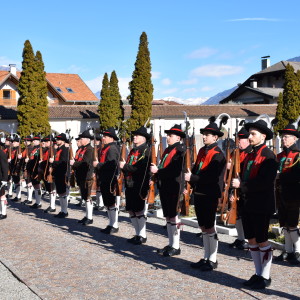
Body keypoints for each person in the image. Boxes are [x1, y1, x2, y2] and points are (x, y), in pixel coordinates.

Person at [232, 117, 278, 289]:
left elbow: (265, 182)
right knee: (251, 239)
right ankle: (258, 273)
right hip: (248, 203)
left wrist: (242, 185)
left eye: (253, 134)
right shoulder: (250, 154)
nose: (249, 137)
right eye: (249, 134)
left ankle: (265, 276)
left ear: (263, 136)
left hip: (261, 204)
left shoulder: (268, 156)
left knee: (262, 240)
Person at [186, 121, 226, 271]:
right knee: (203, 226)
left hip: (209, 193)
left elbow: (211, 177)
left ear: (215, 137)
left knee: (209, 227)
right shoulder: (203, 151)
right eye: (203, 134)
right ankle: (205, 256)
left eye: (207, 135)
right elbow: (197, 169)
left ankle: (212, 258)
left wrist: (193, 179)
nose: (204, 137)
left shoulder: (218, 155)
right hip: (199, 192)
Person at [151, 124, 186, 257]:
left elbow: (174, 170)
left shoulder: (179, 150)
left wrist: (158, 171)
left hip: (174, 186)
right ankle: (171, 243)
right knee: (168, 217)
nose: (167, 137)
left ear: (178, 137)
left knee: (174, 216)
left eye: (170, 135)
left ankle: (176, 246)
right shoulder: (168, 150)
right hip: (165, 185)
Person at [120, 126, 151, 244]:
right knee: (131, 210)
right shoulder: (133, 150)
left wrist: (124, 166)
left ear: (143, 138)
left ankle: (142, 235)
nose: (134, 137)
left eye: (137, 135)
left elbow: (140, 168)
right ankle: (137, 234)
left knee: (138, 210)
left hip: (139, 184)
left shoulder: (145, 151)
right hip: (129, 183)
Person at [275, 121, 300, 265]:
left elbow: (297, 175)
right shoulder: (279, 156)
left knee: (292, 223)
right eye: (283, 137)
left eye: (287, 137)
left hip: (293, 193)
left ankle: (297, 251)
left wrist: (281, 176)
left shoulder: (297, 155)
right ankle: (288, 250)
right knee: (283, 222)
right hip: (280, 193)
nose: (284, 139)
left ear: (294, 138)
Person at [228, 127, 252, 250]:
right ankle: (240, 238)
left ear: (248, 140)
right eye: (237, 138)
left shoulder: (250, 152)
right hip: (235, 186)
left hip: (245, 187)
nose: (238, 141)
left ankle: (247, 239)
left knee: (245, 215)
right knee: (236, 213)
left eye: (241, 138)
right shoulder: (236, 152)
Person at [93, 128, 120, 232]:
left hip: (110, 179)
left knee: (111, 202)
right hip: (104, 178)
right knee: (107, 203)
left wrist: (98, 165)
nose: (103, 138)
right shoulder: (107, 147)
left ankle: (114, 225)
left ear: (111, 138)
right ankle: (110, 223)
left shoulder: (112, 148)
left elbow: (111, 164)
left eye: (105, 136)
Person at [71, 129, 94, 224]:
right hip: (80, 175)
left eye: (83, 138)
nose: (81, 140)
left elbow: (85, 163)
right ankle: (86, 216)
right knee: (84, 197)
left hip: (87, 176)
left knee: (88, 197)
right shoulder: (81, 149)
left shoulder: (89, 150)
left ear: (88, 139)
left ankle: (90, 217)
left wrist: (74, 163)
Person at [49, 133, 69, 217]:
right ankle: (62, 210)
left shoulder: (65, 149)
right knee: (60, 193)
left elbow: (63, 162)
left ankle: (64, 211)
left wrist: (53, 162)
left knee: (63, 193)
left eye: (59, 139)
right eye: (57, 139)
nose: (57, 141)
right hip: (57, 172)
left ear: (63, 140)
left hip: (62, 173)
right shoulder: (59, 149)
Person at [25, 135, 42, 208]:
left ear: (39, 141)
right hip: (31, 168)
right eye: (33, 141)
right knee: (35, 185)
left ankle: (39, 202)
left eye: (35, 140)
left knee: (37, 185)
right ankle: (37, 202)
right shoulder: (33, 149)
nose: (33, 142)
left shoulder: (39, 149)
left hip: (37, 169)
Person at [94, 133, 105, 211]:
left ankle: (101, 204)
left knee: (101, 187)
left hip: (101, 168)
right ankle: (98, 203)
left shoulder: (101, 148)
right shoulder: (96, 148)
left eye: (98, 140)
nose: (96, 142)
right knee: (98, 187)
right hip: (97, 169)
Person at [0, 139, 9, 219]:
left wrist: (4, 179)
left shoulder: (1, 153)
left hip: (0, 178)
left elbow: (5, 167)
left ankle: (3, 212)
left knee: (2, 195)